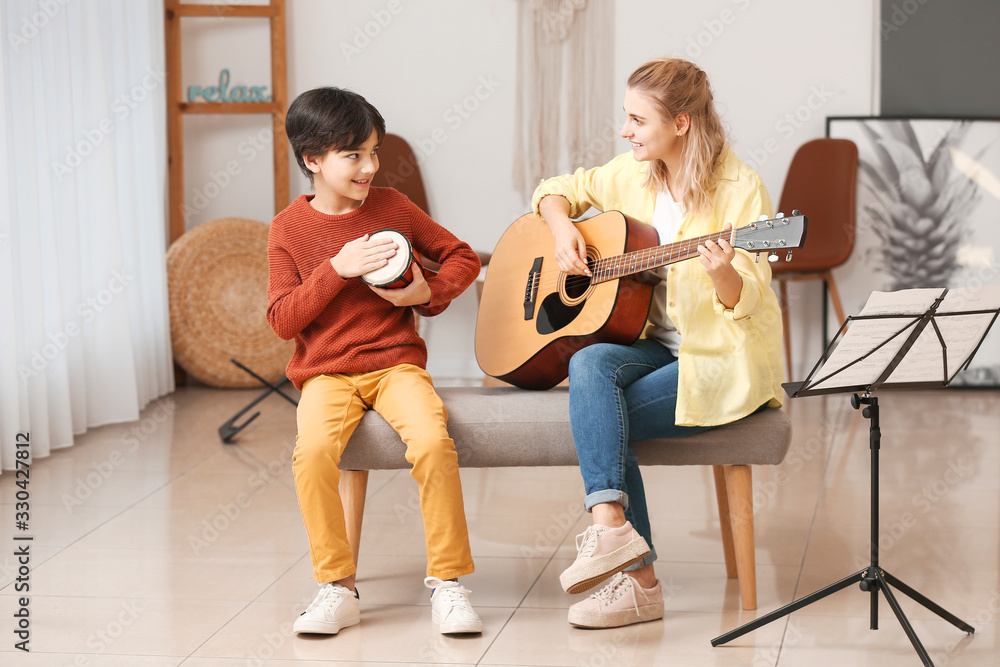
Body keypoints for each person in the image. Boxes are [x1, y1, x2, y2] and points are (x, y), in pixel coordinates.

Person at [532, 57, 785, 629]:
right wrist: (562, 226)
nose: (626, 131)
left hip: (720, 356)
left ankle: (636, 579)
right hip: (651, 342)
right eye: (627, 118)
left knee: (604, 411)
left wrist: (724, 272)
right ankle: (614, 535)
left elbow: (747, 301)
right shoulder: (631, 172)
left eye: (637, 120)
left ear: (682, 123)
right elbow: (555, 190)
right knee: (591, 362)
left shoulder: (742, 190)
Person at [266, 87, 483, 636]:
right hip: (326, 373)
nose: (370, 166)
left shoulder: (394, 207)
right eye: (354, 155)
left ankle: (449, 583)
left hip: (396, 364)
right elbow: (283, 320)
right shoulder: (287, 230)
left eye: (373, 151)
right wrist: (336, 268)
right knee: (311, 454)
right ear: (312, 159)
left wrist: (424, 295)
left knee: (433, 443)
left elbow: (459, 256)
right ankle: (336, 587)